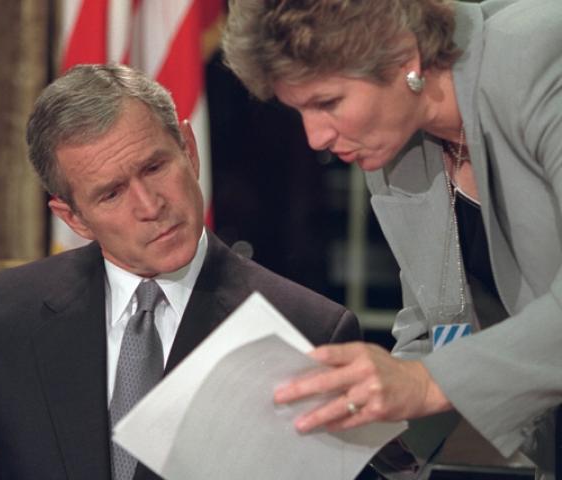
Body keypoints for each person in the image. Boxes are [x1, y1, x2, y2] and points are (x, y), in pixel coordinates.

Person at [0, 64, 361, 480]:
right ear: (74, 218)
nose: (151, 206)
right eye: (112, 193)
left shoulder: (307, 331)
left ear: (188, 150)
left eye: (154, 167)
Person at [222, 0, 562, 478]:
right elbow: (438, 326)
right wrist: (362, 417)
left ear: (405, 56)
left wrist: (423, 384)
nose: (315, 137)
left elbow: (435, 375)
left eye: (327, 102)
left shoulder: (543, 54)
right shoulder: (394, 136)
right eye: (299, 109)